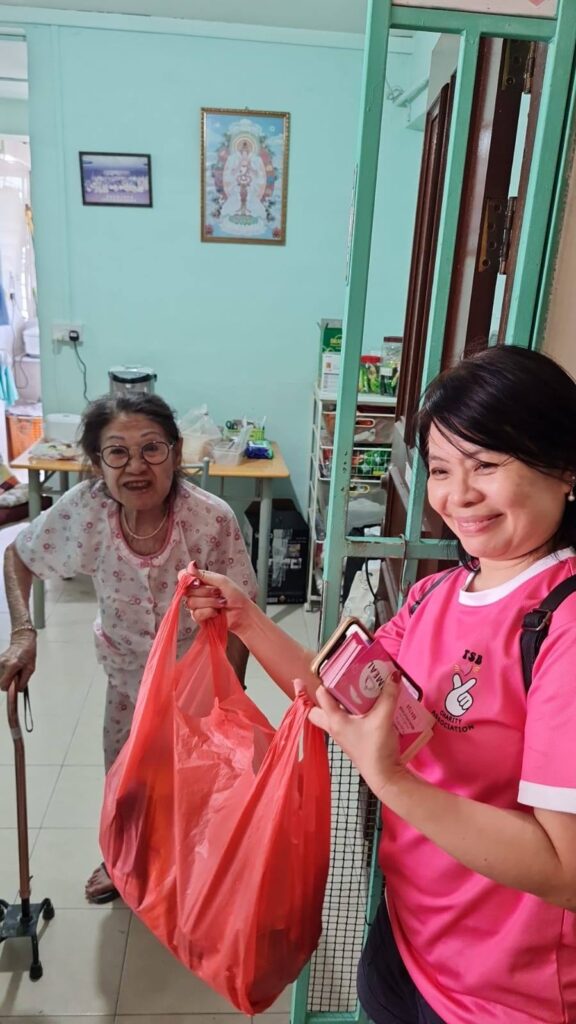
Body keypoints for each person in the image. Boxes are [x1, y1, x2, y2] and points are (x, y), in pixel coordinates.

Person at [184, 345, 576, 1024]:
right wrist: (245, 618)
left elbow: (564, 871)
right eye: (442, 469)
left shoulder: (562, 625)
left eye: (486, 464)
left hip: (501, 994)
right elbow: (331, 687)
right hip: (407, 937)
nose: (459, 495)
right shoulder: (435, 595)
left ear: (565, 467)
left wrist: (390, 780)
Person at [0, 392, 257, 904]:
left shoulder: (209, 519)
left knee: (195, 779)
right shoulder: (87, 510)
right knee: (125, 776)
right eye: (117, 452)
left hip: (194, 678)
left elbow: (241, 609)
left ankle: (190, 865)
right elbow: (19, 556)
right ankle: (122, 863)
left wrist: (229, 694)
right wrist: (24, 632)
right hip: (126, 675)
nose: (136, 466)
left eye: (152, 449)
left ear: (175, 453)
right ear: (97, 463)